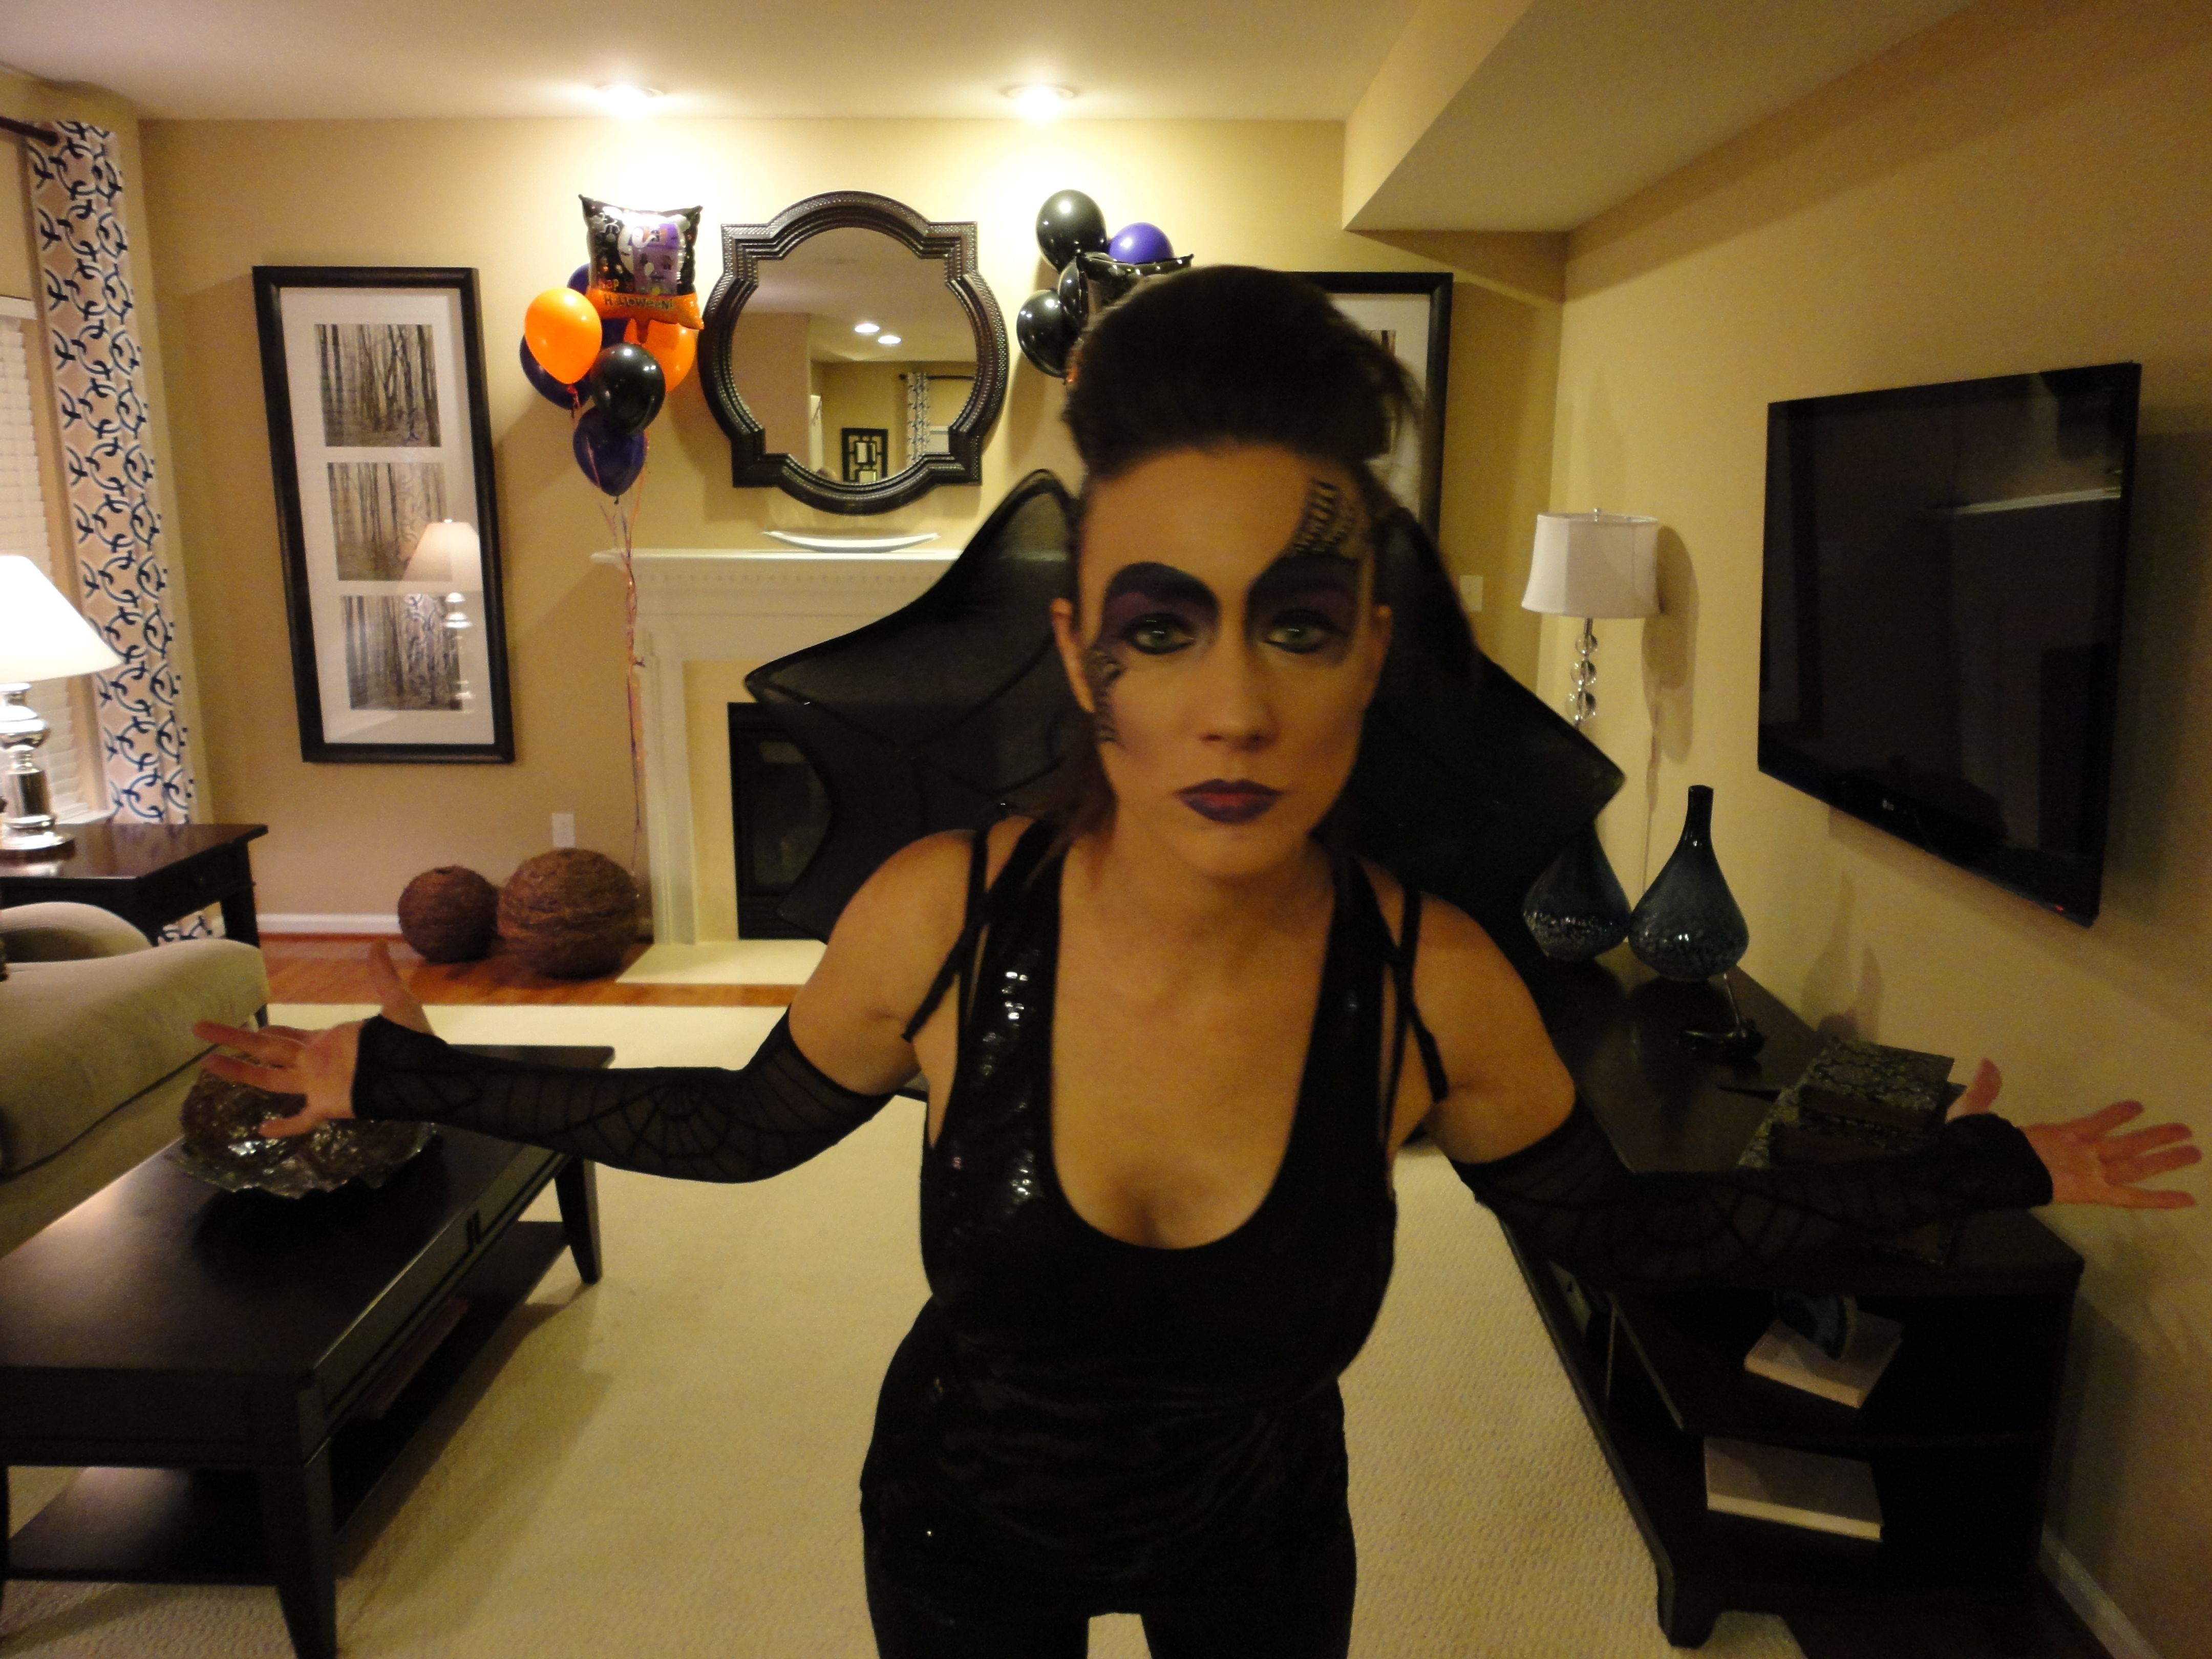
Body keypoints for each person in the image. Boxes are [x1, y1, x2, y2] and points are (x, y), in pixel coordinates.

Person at [197, 267, 2197, 1659]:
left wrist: (1973, 1171)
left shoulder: (1436, 982)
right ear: (1082, 654)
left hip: (1263, 1537)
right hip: (956, 1529)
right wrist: (404, 1069)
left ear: (1374, 649)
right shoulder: (945, 916)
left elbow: (1628, 1235)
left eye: (1297, 621)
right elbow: (740, 1128)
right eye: (1163, 625)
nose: (1233, 704)